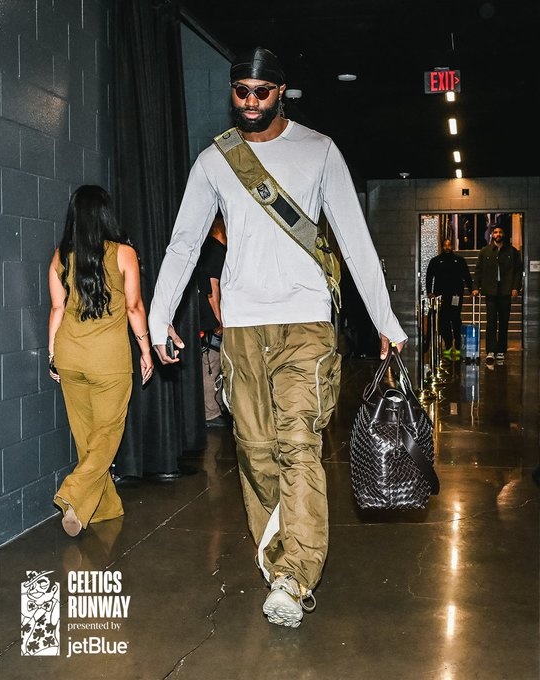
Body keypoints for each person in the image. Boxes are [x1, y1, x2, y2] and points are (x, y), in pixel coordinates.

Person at [148, 46, 406, 628]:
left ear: (281, 91)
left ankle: (296, 576)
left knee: (298, 445)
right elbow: (184, 243)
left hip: (306, 323)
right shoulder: (216, 159)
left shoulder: (319, 150)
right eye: (240, 91)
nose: (250, 102)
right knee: (256, 453)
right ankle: (279, 558)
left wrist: (385, 321)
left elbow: (355, 239)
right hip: (242, 328)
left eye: (261, 92)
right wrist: (160, 316)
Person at [48, 185, 154, 537]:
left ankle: (104, 508)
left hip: (69, 355)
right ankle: (73, 491)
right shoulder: (124, 253)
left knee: (87, 438)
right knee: (107, 434)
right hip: (108, 360)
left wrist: (52, 355)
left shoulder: (61, 256)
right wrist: (145, 350)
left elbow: (57, 308)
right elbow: (134, 307)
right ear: (106, 215)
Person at [472, 225, 522, 364]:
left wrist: (516, 287)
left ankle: (501, 350)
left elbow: (518, 271)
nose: (498, 234)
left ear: (503, 234)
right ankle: (490, 350)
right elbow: (478, 270)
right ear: (492, 235)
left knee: (504, 322)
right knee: (491, 322)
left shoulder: (512, 251)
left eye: (500, 232)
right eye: (495, 232)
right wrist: (475, 287)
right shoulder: (485, 251)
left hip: (505, 291)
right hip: (491, 291)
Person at [197, 214, 227, 427]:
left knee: (209, 362)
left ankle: (212, 410)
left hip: (202, 317)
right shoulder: (216, 249)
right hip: (209, 320)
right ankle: (211, 413)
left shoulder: (204, 247)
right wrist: (218, 321)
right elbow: (212, 288)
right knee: (211, 363)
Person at [426, 239, 473, 356]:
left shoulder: (459, 260)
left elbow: (466, 276)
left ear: (452, 246)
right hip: (441, 296)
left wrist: (472, 289)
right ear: (442, 247)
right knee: (443, 321)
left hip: (456, 295)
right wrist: (429, 292)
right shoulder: (435, 261)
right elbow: (429, 277)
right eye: (445, 245)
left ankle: (457, 346)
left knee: (456, 319)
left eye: (449, 245)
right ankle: (448, 345)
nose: (447, 247)